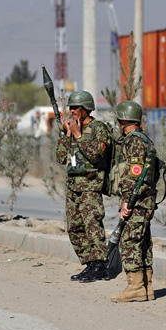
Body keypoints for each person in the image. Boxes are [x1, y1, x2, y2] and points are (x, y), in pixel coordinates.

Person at [55, 91, 111, 283]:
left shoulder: (98, 129)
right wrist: (67, 134)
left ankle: (100, 265)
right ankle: (90, 264)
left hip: (90, 185)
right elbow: (60, 157)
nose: (72, 111)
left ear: (86, 109)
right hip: (73, 185)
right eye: (71, 108)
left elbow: (96, 154)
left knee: (92, 225)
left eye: (76, 108)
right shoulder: (71, 128)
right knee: (74, 227)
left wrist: (78, 136)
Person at [110, 100, 158, 302]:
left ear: (123, 121)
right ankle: (147, 286)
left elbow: (133, 174)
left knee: (129, 241)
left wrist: (126, 202)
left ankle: (136, 287)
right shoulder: (145, 139)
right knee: (143, 242)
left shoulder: (134, 141)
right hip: (145, 200)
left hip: (137, 200)